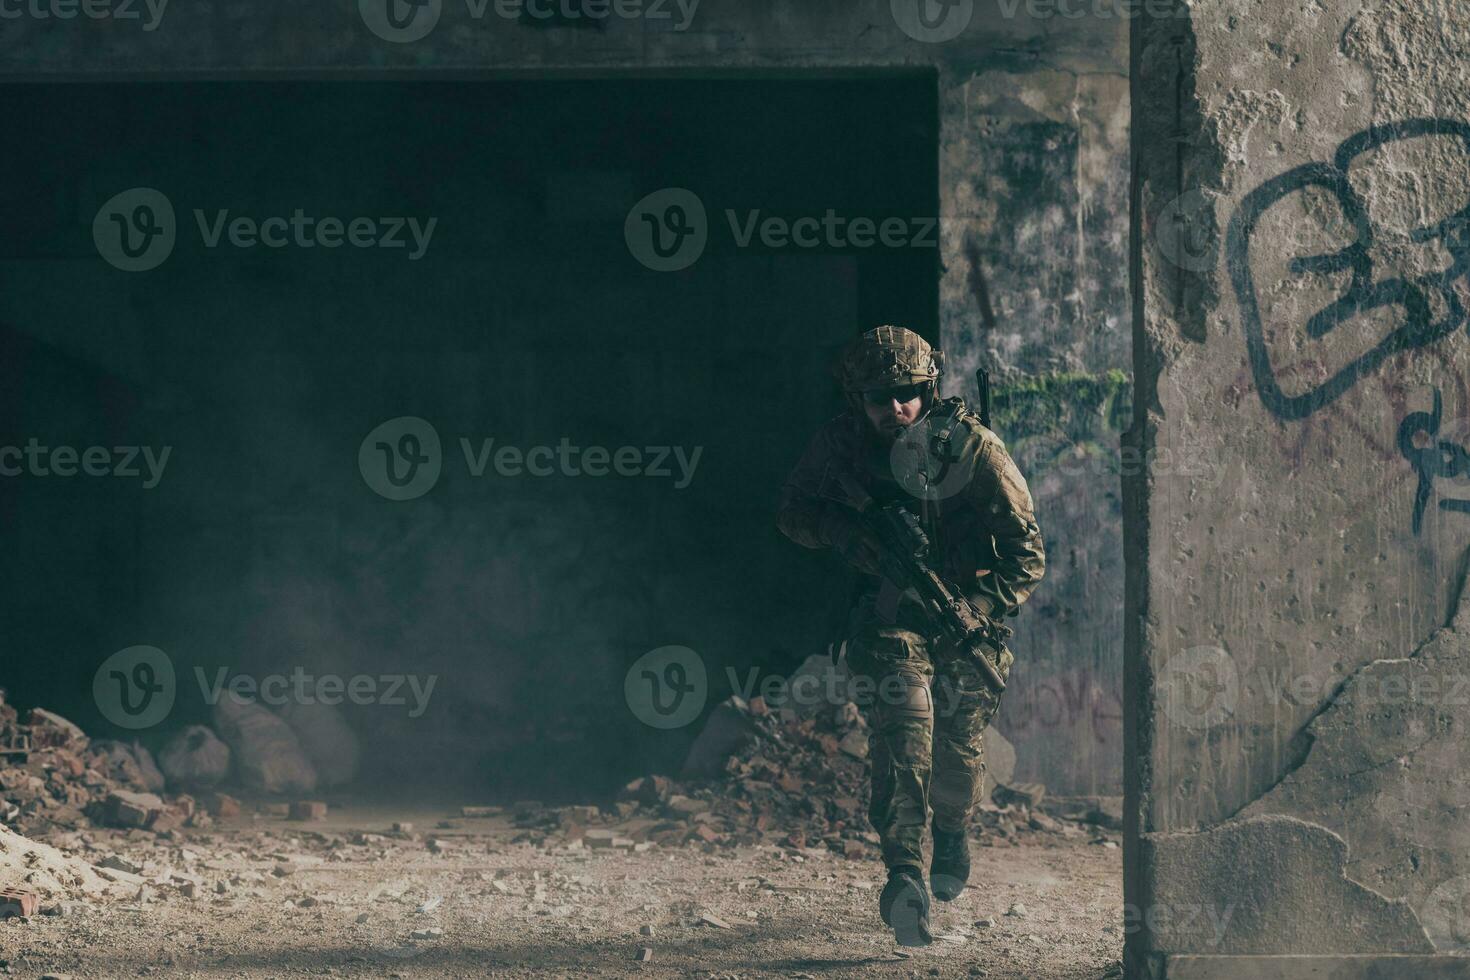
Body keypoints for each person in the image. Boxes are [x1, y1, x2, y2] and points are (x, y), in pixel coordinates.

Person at [776, 325, 1046, 946]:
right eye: (877, 396)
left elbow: (1027, 553)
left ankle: (951, 832)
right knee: (903, 721)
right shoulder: (840, 447)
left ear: (927, 389)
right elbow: (793, 511)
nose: (893, 407)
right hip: (887, 615)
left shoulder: (972, 449)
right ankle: (903, 874)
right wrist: (845, 535)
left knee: (958, 751)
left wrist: (978, 607)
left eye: (906, 392)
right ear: (857, 401)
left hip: (965, 618)